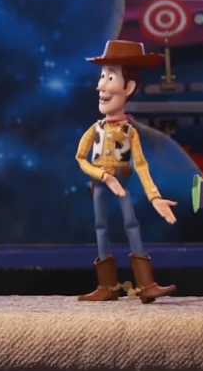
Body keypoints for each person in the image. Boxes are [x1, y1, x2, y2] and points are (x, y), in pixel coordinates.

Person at [75, 40, 178, 304]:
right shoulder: (95, 129)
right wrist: (103, 176)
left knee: (132, 224)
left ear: (129, 88)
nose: (100, 86)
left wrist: (154, 197)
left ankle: (146, 285)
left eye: (110, 77)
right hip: (102, 182)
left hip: (122, 180)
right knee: (101, 226)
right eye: (101, 77)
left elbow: (141, 165)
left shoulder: (129, 132)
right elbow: (80, 158)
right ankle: (107, 286)